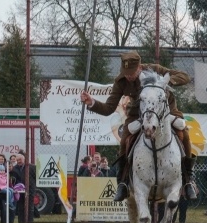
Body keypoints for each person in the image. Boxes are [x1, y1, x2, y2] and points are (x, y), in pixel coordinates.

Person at [79, 51, 196, 202]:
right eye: (125, 72)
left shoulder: (155, 69)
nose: (128, 76)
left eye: (131, 72)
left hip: (165, 111)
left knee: (183, 133)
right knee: (125, 139)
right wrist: (91, 102)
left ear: (140, 67)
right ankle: (123, 182)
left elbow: (185, 77)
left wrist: (166, 81)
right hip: (138, 114)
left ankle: (188, 179)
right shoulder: (121, 81)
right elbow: (108, 108)